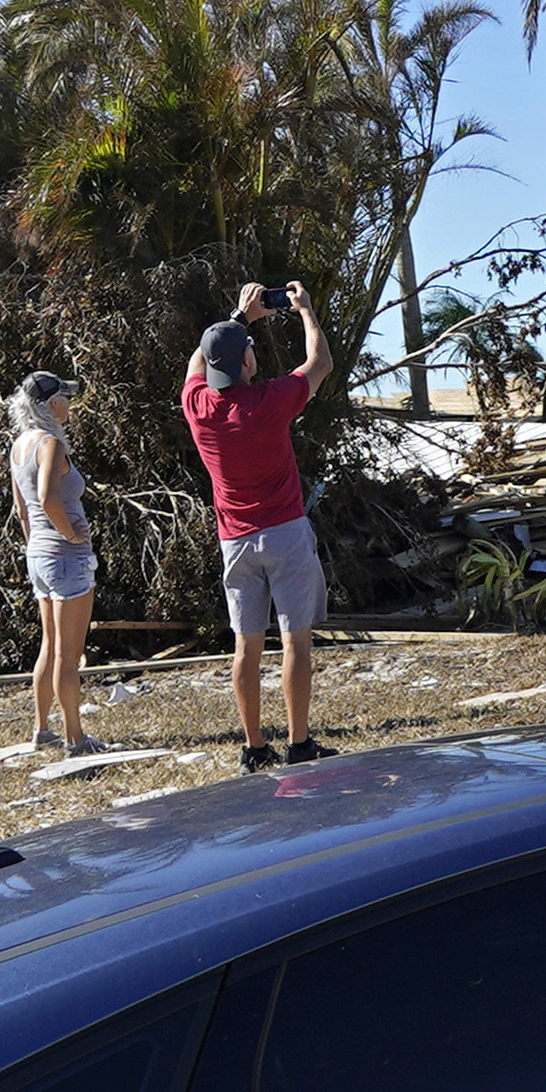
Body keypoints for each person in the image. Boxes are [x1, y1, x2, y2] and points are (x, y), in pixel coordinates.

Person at [179, 277, 328, 768]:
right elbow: (319, 364)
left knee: (246, 647)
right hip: (284, 531)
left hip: (235, 541)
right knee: (295, 641)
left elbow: (195, 364)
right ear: (247, 360)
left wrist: (240, 320)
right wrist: (304, 312)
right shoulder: (268, 401)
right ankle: (300, 743)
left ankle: (253, 747)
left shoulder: (198, 408)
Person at [6, 370, 97, 761]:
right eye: (65, 398)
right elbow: (46, 497)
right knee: (68, 652)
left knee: (49, 643)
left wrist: (37, 545)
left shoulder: (18, 446)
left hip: (38, 555)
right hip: (65, 555)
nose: (70, 405)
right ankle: (76, 738)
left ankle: (42, 728)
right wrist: (72, 535)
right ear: (50, 405)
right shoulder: (50, 444)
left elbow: (21, 509)